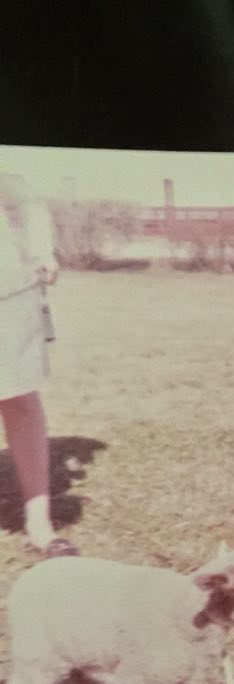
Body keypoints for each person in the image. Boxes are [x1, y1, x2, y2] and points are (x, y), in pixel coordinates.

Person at [0, 174, 78, 558]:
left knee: (17, 394)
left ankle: (39, 524)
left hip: (4, 279)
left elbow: (23, 188)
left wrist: (42, 249)